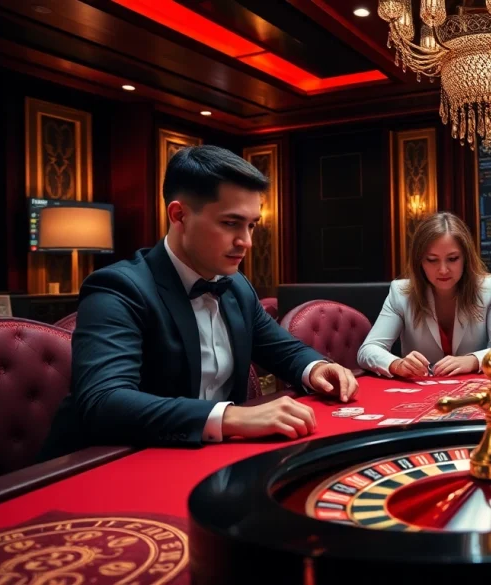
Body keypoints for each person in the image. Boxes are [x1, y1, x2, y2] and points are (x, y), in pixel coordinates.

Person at [38, 145, 357, 459]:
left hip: (204, 458)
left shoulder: (235, 287)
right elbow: (105, 402)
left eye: (251, 225)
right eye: (230, 223)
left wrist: (316, 367)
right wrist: (231, 418)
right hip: (105, 465)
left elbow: (284, 350)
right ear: (179, 215)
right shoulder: (118, 288)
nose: (246, 242)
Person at [356, 212, 491, 378]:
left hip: (474, 389)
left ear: (466, 258)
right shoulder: (401, 293)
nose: (443, 270)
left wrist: (472, 361)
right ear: (419, 261)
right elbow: (368, 350)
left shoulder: (488, 288)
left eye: (453, 259)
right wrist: (397, 364)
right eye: (432, 260)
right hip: (420, 390)